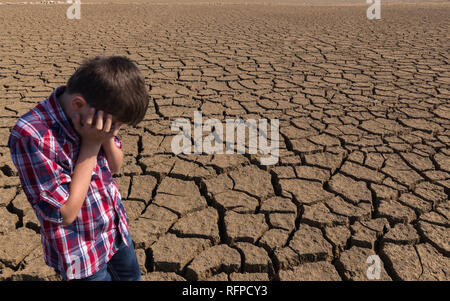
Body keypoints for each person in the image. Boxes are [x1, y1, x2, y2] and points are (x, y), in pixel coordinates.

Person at [8, 56, 149, 281]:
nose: (114, 130)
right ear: (78, 104)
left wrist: (106, 137)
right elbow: (65, 213)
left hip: (115, 230)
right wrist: (91, 145)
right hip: (81, 252)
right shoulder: (32, 135)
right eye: (115, 124)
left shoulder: (98, 117)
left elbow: (115, 165)